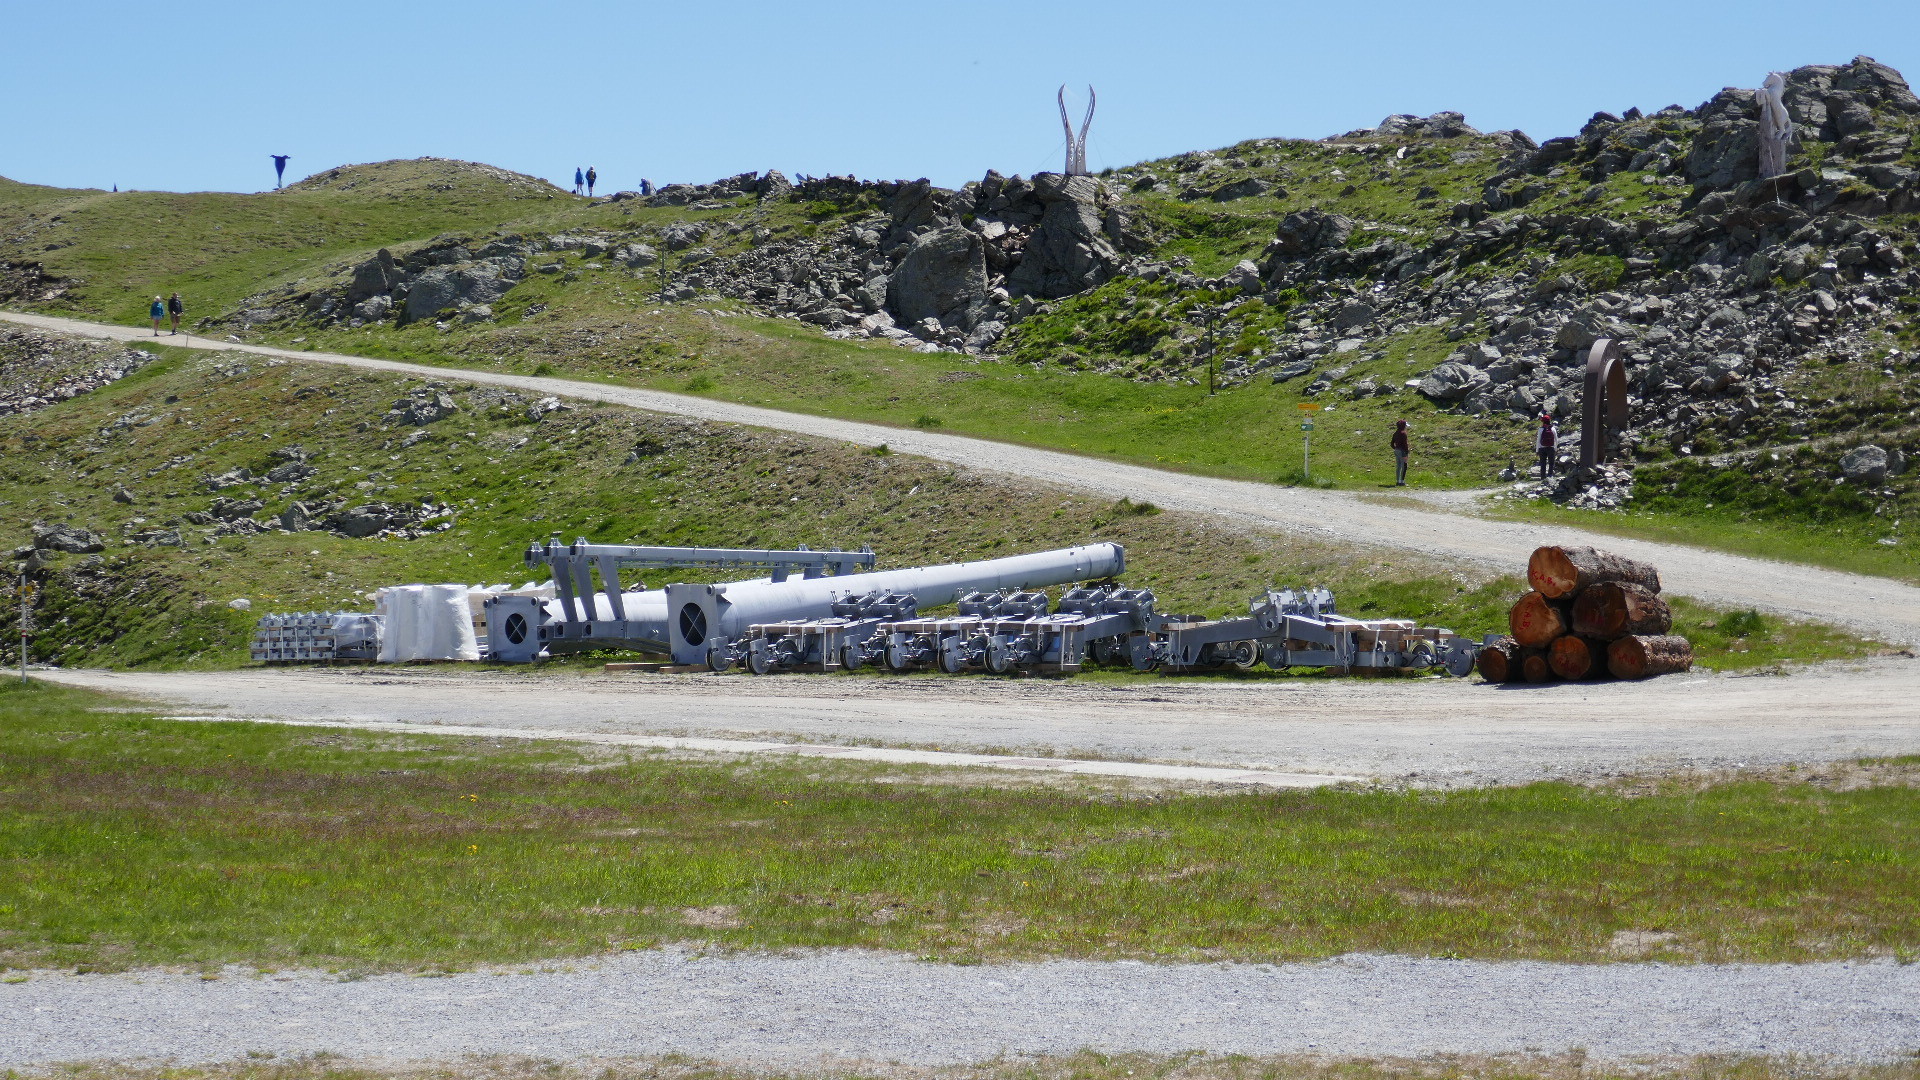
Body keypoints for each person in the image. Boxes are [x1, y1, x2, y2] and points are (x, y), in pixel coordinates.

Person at [1536, 414, 1558, 478]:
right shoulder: (1553, 429)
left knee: (1543, 463)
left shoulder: (1541, 429)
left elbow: (1538, 440)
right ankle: (1550, 476)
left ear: (1543, 421)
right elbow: (1556, 439)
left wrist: (1537, 450)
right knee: (1551, 463)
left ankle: (1543, 478)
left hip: (1542, 448)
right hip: (1551, 448)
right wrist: (1555, 449)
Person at [1391, 420, 1410, 486]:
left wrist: (1396, 448)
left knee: (1398, 466)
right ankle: (1402, 481)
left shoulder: (1395, 433)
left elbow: (1392, 444)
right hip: (1402, 451)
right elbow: (1405, 444)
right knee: (1404, 466)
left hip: (1397, 450)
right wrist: (1407, 451)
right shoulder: (1403, 433)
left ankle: (1398, 481)